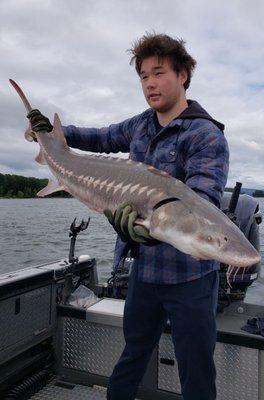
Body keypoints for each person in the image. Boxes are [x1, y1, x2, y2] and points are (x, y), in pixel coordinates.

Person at [27, 33, 229, 400]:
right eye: (143, 76)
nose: (150, 83)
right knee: (132, 355)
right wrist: (51, 134)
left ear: (183, 74)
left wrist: (150, 230)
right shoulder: (141, 124)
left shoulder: (206, 135)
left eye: (159, 72)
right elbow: (101, 138)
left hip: (191, 279)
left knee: (196, 373)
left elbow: (204, 201)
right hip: (144, 271)